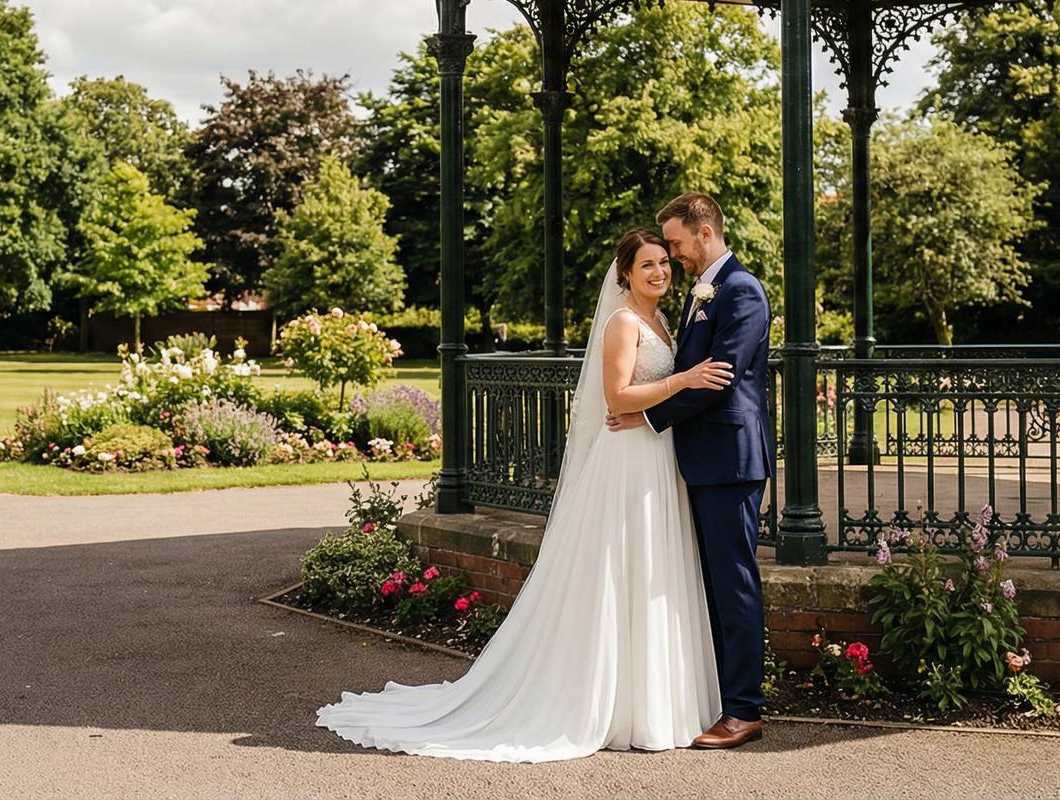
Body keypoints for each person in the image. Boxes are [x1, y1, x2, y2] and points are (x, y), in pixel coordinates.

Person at [315, 228, 733, 761]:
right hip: (628, 462)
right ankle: (614, 705)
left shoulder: (662, 321)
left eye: (664, 263)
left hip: (656, 454)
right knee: (623, 569)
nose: (660, 272)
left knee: (654, 570)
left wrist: (670, 394)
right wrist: (684, 380)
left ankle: (655, 703)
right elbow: (617, 396)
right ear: (625, 273)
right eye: (647, 265)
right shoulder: (624, 322)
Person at [608, 192, 774, 750]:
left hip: (729, 460)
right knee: (712, 584)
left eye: (676, 244)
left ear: (705, 233)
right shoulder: (704, 290)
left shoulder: (741, 289)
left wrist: (648, 416)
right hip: (702, 459)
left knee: (733, 582)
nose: (673, 256)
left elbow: (718, 377)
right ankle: (720, 699)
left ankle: (744, 710)